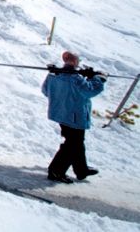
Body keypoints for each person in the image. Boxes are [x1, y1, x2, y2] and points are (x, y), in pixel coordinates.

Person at [42, 50, 106, 184]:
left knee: (76, 142)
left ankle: (81, 169)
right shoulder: (75, 79)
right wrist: (98, 79)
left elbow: (45, 90)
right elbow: (90, 90)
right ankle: (56, 171)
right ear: (75, 62)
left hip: (61, 114)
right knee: (72, 144)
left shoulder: (55, 75)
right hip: (74, 116)